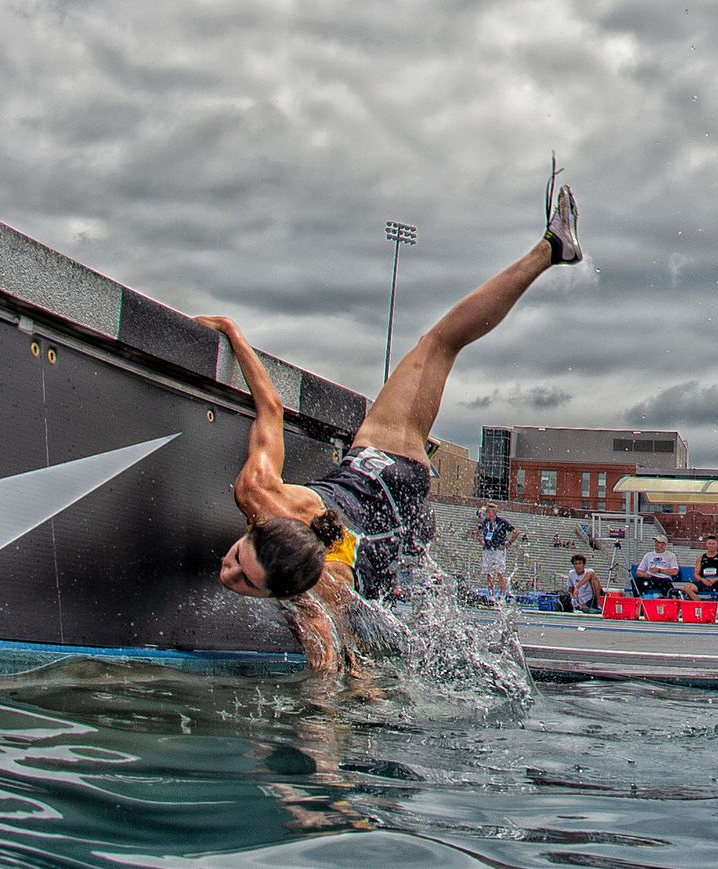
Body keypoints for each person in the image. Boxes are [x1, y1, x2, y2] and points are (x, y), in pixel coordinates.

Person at [199, 165, 583, 671]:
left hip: (385, 478)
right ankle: (551, 251)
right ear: (254, 526)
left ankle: (552, 250)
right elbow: (269, 408)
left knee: (441, 343)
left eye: (241, 575)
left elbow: (328, 672)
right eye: (239, 569)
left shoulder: (313, 594)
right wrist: (233, 332)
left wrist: (230, 330)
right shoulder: (260, 498)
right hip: (388, 488)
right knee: (438, 343)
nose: (228, 575)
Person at [634, 535, 700, 600]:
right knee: (636, 581)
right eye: (656, 542)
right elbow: (638, 571)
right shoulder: (648, 555)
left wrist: (659, 570)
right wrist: (645, 574)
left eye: (659, 542)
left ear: (664, 544)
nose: (656, 544)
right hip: (650, 578)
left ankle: (665, 601)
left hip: (663, 578)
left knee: (666, 585)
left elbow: (675, 572)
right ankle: (639, 600)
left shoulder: (671, 556)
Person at [475, 503, 518, 601]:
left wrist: (509, 543)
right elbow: (477, 531)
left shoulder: (502, 522)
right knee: (488, 573)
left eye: (488, 512)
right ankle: (491, 595)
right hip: (488, 549)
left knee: (499, 572)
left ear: (493, 512)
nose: (487, 514)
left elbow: (515, 531)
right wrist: (481, 542)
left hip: (498, 549)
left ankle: (503, 596)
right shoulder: (485, 522)